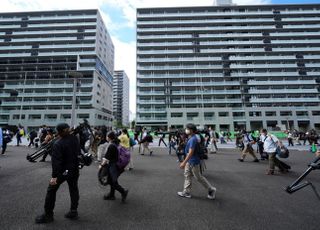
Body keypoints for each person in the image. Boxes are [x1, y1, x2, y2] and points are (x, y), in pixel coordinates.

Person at [35, 123, 81, 224]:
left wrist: (54, 177)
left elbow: (56, 163)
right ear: (68, 130)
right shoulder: (74, 139)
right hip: (74, 169)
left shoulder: (58, 143)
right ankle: (73, 211)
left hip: (65, 171)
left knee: (51, 189)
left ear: (58, 132)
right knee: (73, 188)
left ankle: (48, 215)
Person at [177, 123, 216, 200]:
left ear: (191, 130)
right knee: (187, 175)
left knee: (198, 177)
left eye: (187, 129)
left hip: (194, 161)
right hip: (190, 161)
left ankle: (211, 190)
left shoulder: (193, 139)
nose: (186, 130)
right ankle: (186, 192)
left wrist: (184, 162)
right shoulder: (191, 137)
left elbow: (191, 152)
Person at [99, 131, 129, 202]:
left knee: (113, 182)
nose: (106, 137)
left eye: (107, 136)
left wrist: (101, 165)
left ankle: (123, 192)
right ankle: (112, 195)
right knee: (111, 180)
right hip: (116, 165)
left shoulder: (111, 146)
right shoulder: (115, 143)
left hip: (113, 166)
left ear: (109, 137)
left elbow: (106, 158)